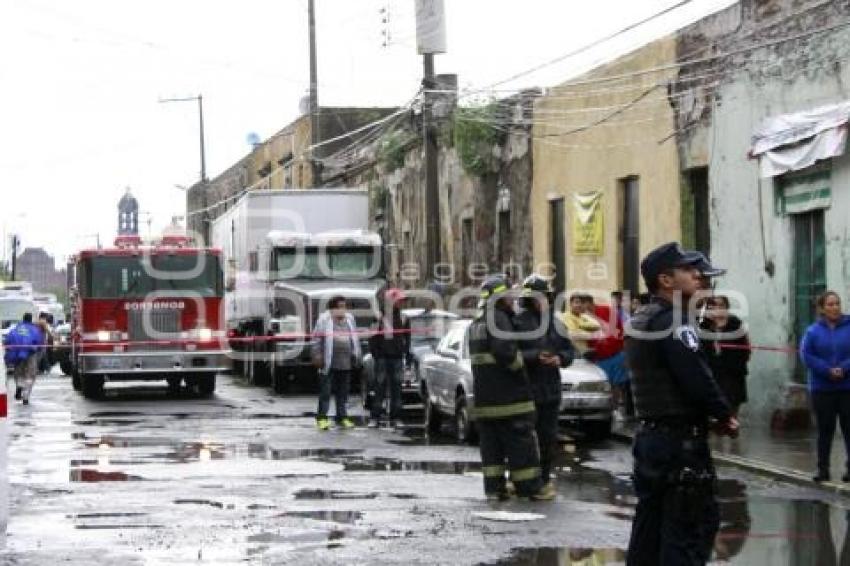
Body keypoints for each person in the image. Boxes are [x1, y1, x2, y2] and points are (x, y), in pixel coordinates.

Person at [625, 242, 738, 566]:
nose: (699, 277)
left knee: (650, 532)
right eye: (689, 271)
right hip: (679, 444)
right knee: (687, 532)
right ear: (666, 280)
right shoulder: (674, 321)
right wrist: (723, 415)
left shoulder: (644, 317)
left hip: (653, 440)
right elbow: (696, 377)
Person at [469, 275, 553, 502]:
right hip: (509, 399)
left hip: (486, 402)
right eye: (508, 294)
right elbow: (506, 353)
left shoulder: (477, 322)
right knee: (521, 446)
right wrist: (525, 364)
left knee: (492, 449)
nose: (513, 299)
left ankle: (495, 489)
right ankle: (530, 488)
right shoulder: (499, 319)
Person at [515, 274, 575, 492]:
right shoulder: (517, 322)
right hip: (525, 390)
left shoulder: (556, 323)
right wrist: (534, 356)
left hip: (550, 390)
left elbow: (569, 351)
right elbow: (511, 353)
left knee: (548, 437)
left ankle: (544, 478)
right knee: (524, 438)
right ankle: (522, 480)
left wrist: (560, 359)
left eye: (544, 297)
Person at [800, 290, 850, 482]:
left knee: (848, 429)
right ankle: (823, 469)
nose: (835, 307)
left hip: (847, 387)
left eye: (837, 303)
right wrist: (827, 369)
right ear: (822, 308)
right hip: (823, 388)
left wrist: (843, 369)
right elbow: (806, 355)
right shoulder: (813, 331)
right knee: (825, 430)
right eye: (830, 304)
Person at [312, 296, 361, 430]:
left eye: (344, 306)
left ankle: (342, 417)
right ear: (333, 309)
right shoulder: (324, 320)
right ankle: (322, 418)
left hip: (345, 362)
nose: (342, 309)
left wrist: (356, 355)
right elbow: (316, 339)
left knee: (343, 393)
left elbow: (354, 338)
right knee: (326, 392)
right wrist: (317, 355)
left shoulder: (350, 319)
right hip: (329, 362)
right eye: (339, 307)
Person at [699, 295, 750, 418]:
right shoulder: (704, 325)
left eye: (721, 305)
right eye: (713, 305)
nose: (717, 308)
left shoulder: (735, 324)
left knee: (732, 410)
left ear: (726, 308)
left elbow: (745, 350)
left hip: (733, 375)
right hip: (711, 374)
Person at [368, 288, 412, 428]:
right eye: (398, 300)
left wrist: (405, 354)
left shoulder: (404, 317)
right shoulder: (378, 317)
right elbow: (372, 337)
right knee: (379, 387)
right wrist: (376, 355)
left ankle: (396, 417)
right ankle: (375, 417)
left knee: (396, 389)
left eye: (402, 301)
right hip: (382, 357)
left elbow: (407, 338)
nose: (401, 303)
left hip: (397, 358)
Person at [3, 312, 44, 405]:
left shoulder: (15, 329)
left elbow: (8, 341)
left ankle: (19, 386)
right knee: (30, 374)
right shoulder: (35, 330)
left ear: (23, 319)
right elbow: (40, 343)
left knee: (18, 373)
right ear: (31, 319)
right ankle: (25, 396)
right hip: (30, 354)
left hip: (18, 355)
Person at [562, 292, 601, 357]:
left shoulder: (584, 316)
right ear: (571, 304)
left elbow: (597, 326)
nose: (579, 305)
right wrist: (590, 332)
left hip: (586, 352)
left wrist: (580, 326)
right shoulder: (566, 316)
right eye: (576, 302)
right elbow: (573, 333)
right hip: (572, 352)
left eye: (581, 303)